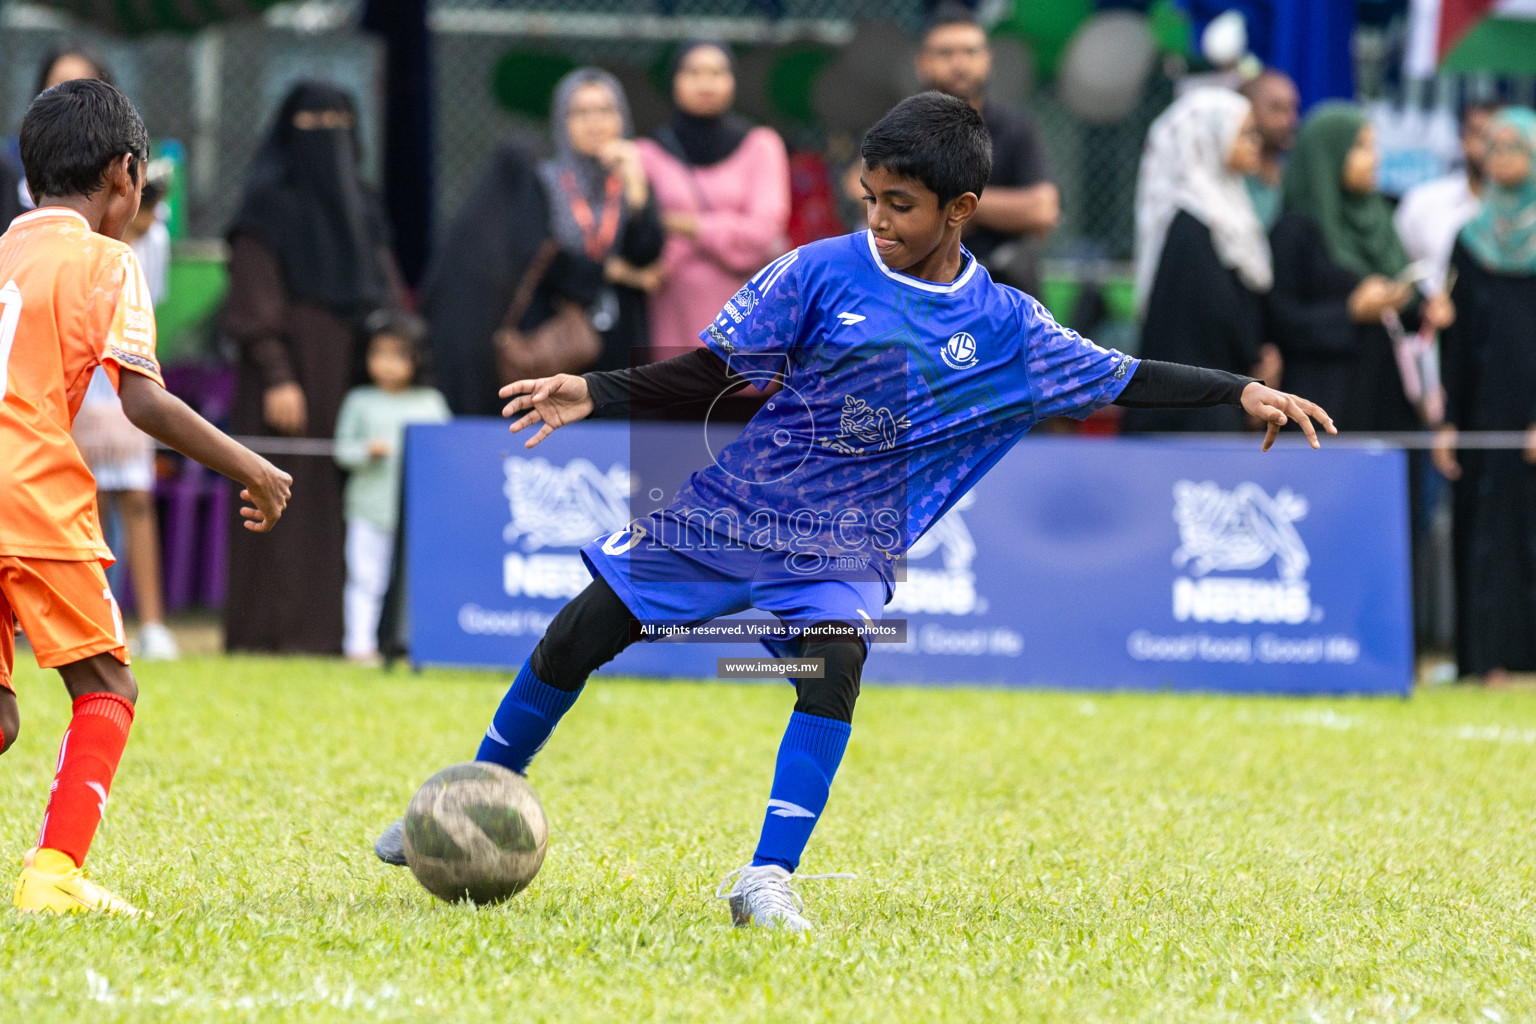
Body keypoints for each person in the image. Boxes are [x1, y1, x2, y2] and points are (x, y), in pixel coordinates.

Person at [371, 92, 1334, 931]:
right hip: (729, 513)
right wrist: (597, 389)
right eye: (869, 197)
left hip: (839, 544)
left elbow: (1122, 375)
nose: (877, 217)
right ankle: (467, 798)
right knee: (578, 634)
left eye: (901, 205)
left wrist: (1238, 389)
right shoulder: (818, 271)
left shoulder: (1007, 329)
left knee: (835, 661)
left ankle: (767, 877)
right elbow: (715, 371)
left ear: (962, 209)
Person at [2, 80, 290, 915]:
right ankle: (54, 876)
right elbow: (144, 399)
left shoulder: (5, 251)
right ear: (126, 176)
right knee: (107, 686)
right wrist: (254, 468)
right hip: (29, 491)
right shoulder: (106, 258)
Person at [223, 82, 403, 655]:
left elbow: (385, 289)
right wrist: (277, 372)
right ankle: (272, 635)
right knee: (281, 502)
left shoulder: (364, 203)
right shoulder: (266, 206)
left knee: (342, 507)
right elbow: (253, 295)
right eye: (313, 121)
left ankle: (338, 634)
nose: (328, 134)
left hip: (352, 379)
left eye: (339, 119)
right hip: (291, 379)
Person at [1268, 103, 1453, 431]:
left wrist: (1424, 308)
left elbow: (1401, 312)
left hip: (1390, 402)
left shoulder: (1380, 218)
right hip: (1327, 406)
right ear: (1328, 155)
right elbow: (1279, 321)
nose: (1375, 158)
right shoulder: (1294, 231)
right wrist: (1350, 312)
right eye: (1362, 148)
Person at [1433, 108, 1536, 683]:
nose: (1501, 156)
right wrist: (1448, 420)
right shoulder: (1468, 240)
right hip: (1480, 410)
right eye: (1494, 146)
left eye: (1515, 145)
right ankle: (1486, 659)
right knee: (1482, 531)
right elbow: (1457, 338)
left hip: (1531, 414)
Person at [1125, 88, 1276, 433]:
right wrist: (1254, 357)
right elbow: (1214, 315)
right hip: (1191, 413)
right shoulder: (1191, 224)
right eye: (1245, 133)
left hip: (1223, 395)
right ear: (1209, 138)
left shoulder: (1229, 208)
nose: (1256, 142)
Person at [71, 175, 178, 661]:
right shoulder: (78, 240)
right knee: (80, 500)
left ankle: (151, 624)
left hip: (128, 381)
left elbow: (146, 308)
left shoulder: (154, 240)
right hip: (78, 385)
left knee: (136, 498)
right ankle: (84, 621)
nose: (152, 213)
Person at [636, 40, 791, 355]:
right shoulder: (646, 154)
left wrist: (686, 225)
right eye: (693, 72)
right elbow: (640, 238)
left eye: (718, 72)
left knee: (740, 401)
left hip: (746, 321)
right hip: (670, 321)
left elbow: (763, 232)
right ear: (673, 81)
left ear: (733, 80)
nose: (706, 82)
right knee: (675, 393)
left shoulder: (761, 145)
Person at [912, 4, 1059, 296]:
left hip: (1004, 286)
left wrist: (948, 206)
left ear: (988, 59)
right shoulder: (902, 128)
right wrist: (1001, 212)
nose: (960, 63)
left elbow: (1042, 209)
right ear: (922, 62)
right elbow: (864, 195)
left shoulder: (1016, 128)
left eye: (971, 52)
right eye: (946, 53)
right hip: (922, 287)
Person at [334, 312, 450, 664]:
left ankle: (416, 645)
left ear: (418, 358)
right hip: (368, 508)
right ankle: (358, 646)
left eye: (397, 354)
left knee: (416, 582)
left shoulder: (431, 403)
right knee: (365, 578)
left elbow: (444, 452)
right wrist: (365, 451)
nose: (385, 364)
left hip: (418, 513)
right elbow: (341, 451)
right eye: (377, 353)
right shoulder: (359, 401)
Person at [540, 69, 665, 373]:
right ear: (562, 122)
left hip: (624, 332)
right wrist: (618, 272)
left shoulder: (632, 179)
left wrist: (635, 184)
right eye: (580, 113)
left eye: (605, 111)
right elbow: (547, 261)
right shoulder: (544, 181)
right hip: (560, 333)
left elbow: (647, 252)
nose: (594, 122)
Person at [1395, 101, 1499, 297]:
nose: (1491, 148)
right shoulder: (1423, 202)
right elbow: (1400, 273)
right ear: (1462, 138)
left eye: (1501, 139)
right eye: (1481, 135)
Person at [1238, 70, 1300, 230]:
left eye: (1293, 109)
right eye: (1277, 108)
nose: (1290, 120)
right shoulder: (1235, 182)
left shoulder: (1296, 177)